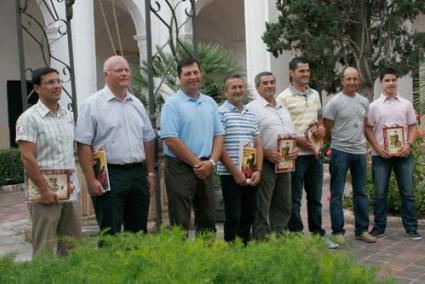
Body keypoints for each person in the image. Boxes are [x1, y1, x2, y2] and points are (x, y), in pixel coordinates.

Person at [75, 55, 156, 235]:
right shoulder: (92, 105)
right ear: (106, 74)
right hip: (109, 174)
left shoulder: (136, 104)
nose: (125, 73)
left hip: (137, 173)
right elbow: (83, 145)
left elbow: (148, 139)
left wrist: (150, 172)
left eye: (127, 70)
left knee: (138, 231)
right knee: (110, 231)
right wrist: (91, 180)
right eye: (119, 70)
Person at [16, 67, 81, 256]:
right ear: (37, 88)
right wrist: (44, 189)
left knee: (73, 247)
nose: (57, 86)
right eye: (50, 82)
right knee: (44, 249)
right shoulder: (29, 118)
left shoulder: (67, 116)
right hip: (43, 193)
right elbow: (27, 157)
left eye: (58, 81)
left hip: (69, 190)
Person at [277, 57, 338, 249]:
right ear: (291, 72)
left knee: (315, 197)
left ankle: (317, 234)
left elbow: (318, 118)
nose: (306, 74)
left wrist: (321, 129)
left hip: (314, 154)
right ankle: (295, 235)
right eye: (301, 71)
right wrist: (297, 138)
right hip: (295, 155)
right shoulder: (283, 98)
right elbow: (280, 125)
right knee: (294, 199)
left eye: (307, 70)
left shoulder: (314, 95)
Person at [160, 57, 224, 234]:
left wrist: (211, 162)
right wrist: (197, 164)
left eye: (195, 72)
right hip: (180, 168)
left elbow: (219, 135)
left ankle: (205, 257)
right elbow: (170, 139)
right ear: (179, 78)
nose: (193, 77)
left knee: (207, 216)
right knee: (180, 219)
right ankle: (180, 260)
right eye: (187, 74)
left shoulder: (210, 102)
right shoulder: (172, 105)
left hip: (206, 166)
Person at [365, 67, 421, 240]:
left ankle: (411, 228)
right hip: (381, 155)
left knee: (408, 192)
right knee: (380, 192)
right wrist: (377, 147)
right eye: (387, 80)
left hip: (404, 155)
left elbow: (412, 126)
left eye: (393, 80)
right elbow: (368, 128)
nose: (390, 83)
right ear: (381, 83)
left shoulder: (406, 104)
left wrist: (409, 145)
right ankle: (379, 228)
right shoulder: (373, 106)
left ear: (396, 81)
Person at [323, 67, 376, 244]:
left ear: (358, 80)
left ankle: (362, 230)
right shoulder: (334, 102)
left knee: (360, 193)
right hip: (340, 152)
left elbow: (365, 124)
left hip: (360, 152)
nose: (352, 82)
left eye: (355, 79)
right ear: (342, 80)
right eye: (349, 79)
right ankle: (338, 232)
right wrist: (340, 138)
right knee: (337, 193)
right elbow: (328, 125)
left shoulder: (363, 101)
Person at [246, 71, 297, 240]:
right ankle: (260, 240)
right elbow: (248, 138)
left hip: (285, 163)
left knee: (283, 203)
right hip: (265, 163)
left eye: (272, 82)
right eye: (265, 83)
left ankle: (279, 238)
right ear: (257, 87)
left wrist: (293, 149)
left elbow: (290, 132)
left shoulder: (282, 106)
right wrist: (266, 153)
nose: (269, 86)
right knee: (263, 204)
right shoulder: (252, 108)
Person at [217, 75, 263, 244]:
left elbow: (258, 144)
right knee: (233, 216)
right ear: (226, 91)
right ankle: (231, 252)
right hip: (230, 174)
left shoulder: (250, 114)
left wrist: (258, 170)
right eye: (233, 87)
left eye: (240, 87)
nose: (237, 90)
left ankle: (244, 248)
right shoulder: (220, 113)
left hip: (249, 171)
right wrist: (236, 172)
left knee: (249, 214)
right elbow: (219, 147)